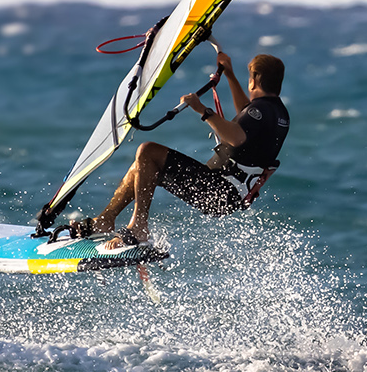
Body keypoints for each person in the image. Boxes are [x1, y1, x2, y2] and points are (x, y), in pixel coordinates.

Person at [83, 50, 289, 251]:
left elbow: (235, 137)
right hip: (227, 194)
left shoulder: (258, 111)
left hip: (218, 190)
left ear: (254, 81)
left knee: (148, 151)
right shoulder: (277, 113)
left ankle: (138, 228)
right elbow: (246, 113)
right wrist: (230, 75)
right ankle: (105, 220)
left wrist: (202, 110)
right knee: (143, 165)